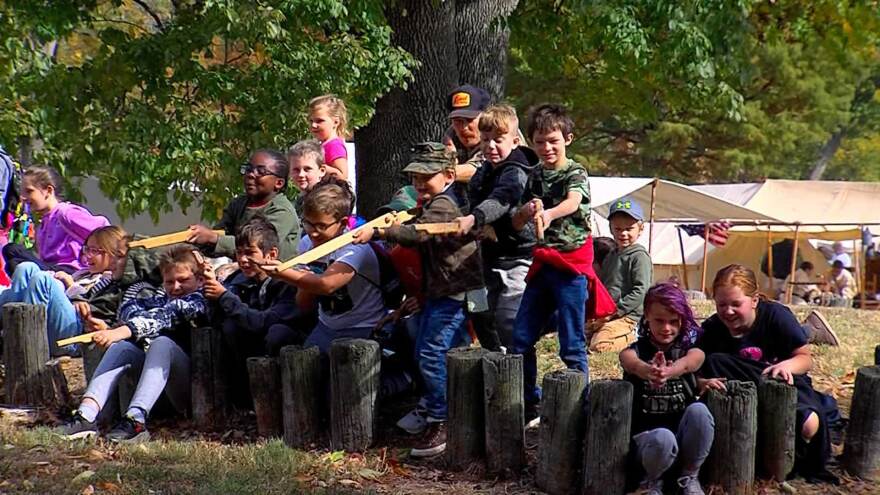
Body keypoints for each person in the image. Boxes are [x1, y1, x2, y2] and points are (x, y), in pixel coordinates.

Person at [355, 142, 499, 457]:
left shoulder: (445, 205)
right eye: (415, 177)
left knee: (432, 354)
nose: (419, 183)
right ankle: (460, 412)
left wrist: (382, 233)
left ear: (448, 174)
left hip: (455, 291)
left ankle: (441, 418)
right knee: (452, 353)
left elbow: (418, 233)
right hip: (445, 290)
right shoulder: (435, 200)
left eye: (426, 176)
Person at [510, 103, 612, 425]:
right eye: (539, 142)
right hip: (543, 265)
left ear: (568, 138)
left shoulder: (576, 172)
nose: (546, 148)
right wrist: (527, 212)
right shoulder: (534, 174)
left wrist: (549, 213)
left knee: (571, 341)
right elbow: (516, 221)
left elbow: (573, 201)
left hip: (571, 266)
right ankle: (528, 402)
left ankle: (578, 407)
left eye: (552, 140)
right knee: (521, 337)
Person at [698, 264, 841, 484]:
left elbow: (805, 358)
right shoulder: (712, 329)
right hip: (742, 400)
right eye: (721, 304)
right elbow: (698, 372)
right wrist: (702, 382)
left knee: (810, 425)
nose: (728, 311)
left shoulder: (775, 315)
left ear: (754, 300)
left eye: (736, 304)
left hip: (783, 385)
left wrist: (786, 366)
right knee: (716, 361)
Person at [60, 245, 209, 442]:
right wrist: (115, 330)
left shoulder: (200, 299)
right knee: (121, 347)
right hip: (156, 391)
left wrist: (121, 330)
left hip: (186, 391)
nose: (175, 287)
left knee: (162, 343)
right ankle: (86, 415)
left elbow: (165, 316)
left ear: (199, 280)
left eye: (183, 280)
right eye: (169, 281)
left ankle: (135, 421)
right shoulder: (157, 297)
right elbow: (129, 309)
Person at [265, 178, 386, 354]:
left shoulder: (355, 247)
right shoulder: (307, 243)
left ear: (343, 223)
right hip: (326, 327)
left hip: (364, 327)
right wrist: (307, 272)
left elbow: (327, 285)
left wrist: (283, 272)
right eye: (308, 223)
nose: (313, 232)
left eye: (321, 226)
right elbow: (303, 303)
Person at [203, 217, 313, 403]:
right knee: (230, 326)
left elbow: (262, 323)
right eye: (239, 253)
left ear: (271, 254)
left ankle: (282, 399)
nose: (243, 260)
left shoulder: (289, 282)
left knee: (278, 333)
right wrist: (213, 295)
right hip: (250, 354)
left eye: (250, 253)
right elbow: (217, 319)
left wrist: (223, 296)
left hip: (291, 356)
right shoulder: (238, 280)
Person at [455, 104, 538, 347]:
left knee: (507, 316)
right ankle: (494, 354)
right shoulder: (484, 170)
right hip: (488, 256)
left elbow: (502, 199)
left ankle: (516, 362)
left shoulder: (516, 171)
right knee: (476, 307)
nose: (490, 146)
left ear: (514, 141)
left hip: (517, 257)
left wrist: (474, 218)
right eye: (486, 140)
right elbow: (472, 199)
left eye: (498, 140)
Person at [620, 283, 713, 495]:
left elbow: (693, 361)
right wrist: (648, 370)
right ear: (646, 317)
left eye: (673, 322)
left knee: (700, 412)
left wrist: (670, 372)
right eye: (659, 321)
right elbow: (629, 360)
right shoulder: (638, 350)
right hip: (648, 441)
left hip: (682, 437)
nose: (666, 328)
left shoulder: (689, 351)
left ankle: (689, 476)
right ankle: (651, 482)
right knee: (662, 438)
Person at [0, 226, 126, 356]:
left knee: (42, 279)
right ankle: (10, 332)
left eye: (94, 251)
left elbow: (96, 310)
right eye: (86, 249)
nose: (87, 255)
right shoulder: (84, 274)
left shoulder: (113, 280)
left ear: (114, 255)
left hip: (74, 338)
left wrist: (71, 286)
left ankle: (24, 341)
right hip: (59, 324)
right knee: (26, 268)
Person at [188, 149, 300, 260]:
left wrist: (212, 237)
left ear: (279, 183)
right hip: (247, 271)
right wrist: (197, 240)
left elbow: (257, 245)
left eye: (261, 172)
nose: (251, 174)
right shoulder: (238, 204)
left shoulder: (282, 211)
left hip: (278, 275)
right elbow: (220, 237)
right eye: (248, 169)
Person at [2, 166, 109, 276]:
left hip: (70, 270)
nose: (23, 197)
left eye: (29, 191)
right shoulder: (43, 224)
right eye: (22, 192)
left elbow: (104, 231)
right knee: (13, 263)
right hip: (50, 268)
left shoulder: (66, 213)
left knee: (12, 249)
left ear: (48, 190)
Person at [590, 197, 653, 352]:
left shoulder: (639, 256)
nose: (623, 233)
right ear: (611, 228)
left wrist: (615, 312)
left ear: (640, 229)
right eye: (618, 229)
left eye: (629, 229)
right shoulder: (612, 255)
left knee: (599, 346)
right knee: (577, 335)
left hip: (627, 316)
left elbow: (640, 290)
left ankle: (634, 336)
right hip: (607, 314)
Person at [308, 95, 350, 180]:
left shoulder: (335, 146)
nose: (313, 125)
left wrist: (317, 167)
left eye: (319, 121)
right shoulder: (323, 145)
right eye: (311, 121)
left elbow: (342, 177)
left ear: (335, 122)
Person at [287, 139, 327, 217]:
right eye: (296, 170)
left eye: (307, 169)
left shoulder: (324, 202)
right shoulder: (300, 200)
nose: (301, 174)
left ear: (322, 171)